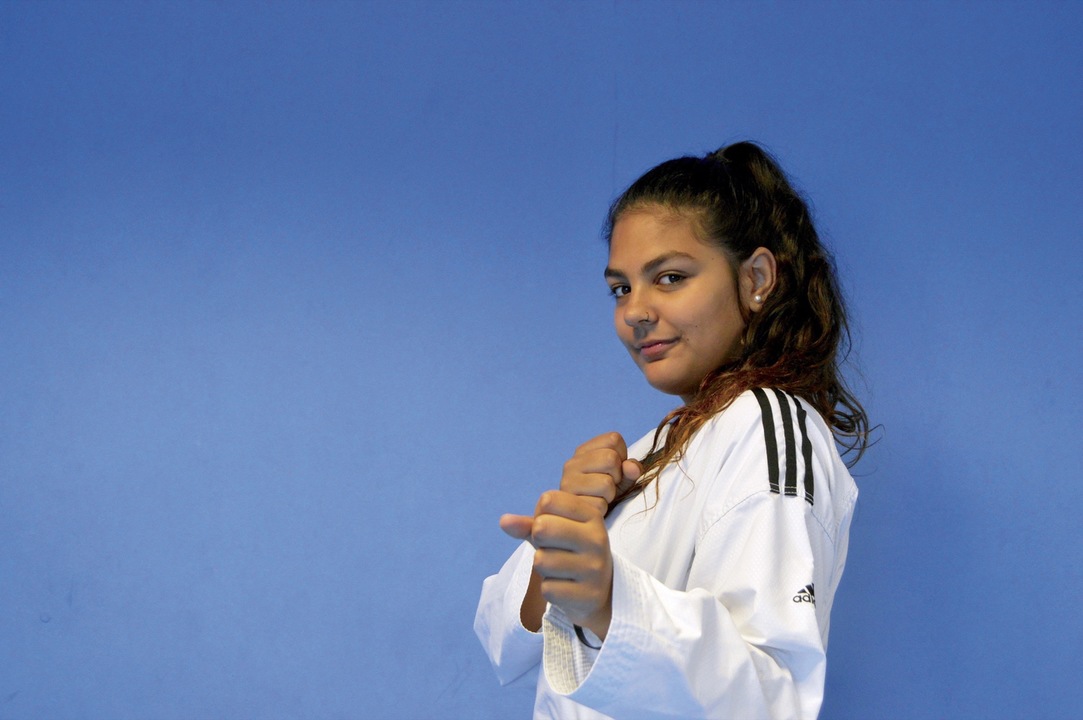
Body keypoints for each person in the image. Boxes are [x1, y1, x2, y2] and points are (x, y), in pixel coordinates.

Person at [474, 141, 869, 720]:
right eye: (621, 288)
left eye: (669, 277)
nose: (635, 310)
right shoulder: (648, 454)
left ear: (756, 279)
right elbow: (504, 644)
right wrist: (565, 535)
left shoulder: (767, 426)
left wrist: (610, 602)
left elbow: (772, 698)